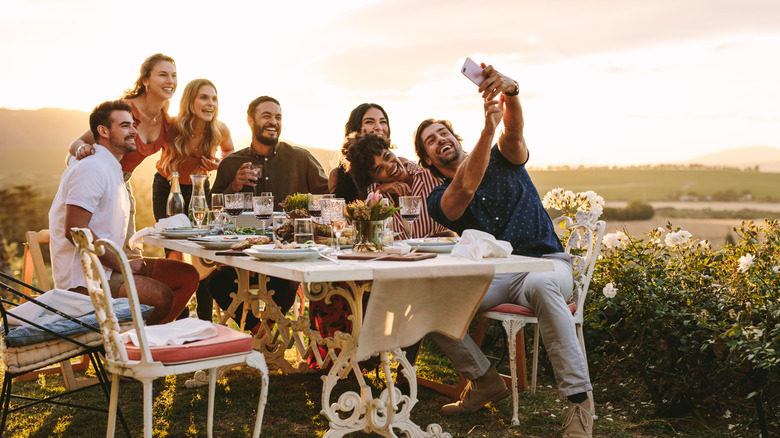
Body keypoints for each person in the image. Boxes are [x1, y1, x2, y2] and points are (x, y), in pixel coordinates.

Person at [414, 63, 594, 437]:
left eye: (443, 132)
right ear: (428, 161)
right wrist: (486, 129)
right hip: (494, 276)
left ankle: (579, 405)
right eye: (431, 141)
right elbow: (463, 190)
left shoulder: (505, 156)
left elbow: (514, 131)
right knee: (431, 304)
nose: (440, 139)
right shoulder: (437, 198)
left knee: (542, 286)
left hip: (546, 265)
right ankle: (484, 381)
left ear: (456, 138)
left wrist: (510, 93)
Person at [50, 100, 198, 325]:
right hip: (86, 277)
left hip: (109, 266)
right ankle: (134, 347)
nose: (134, 131)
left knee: (186, 275)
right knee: (160, 297)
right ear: (103, 131)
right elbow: (75, 230)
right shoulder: (91, 167)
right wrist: (122, 264)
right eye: (125, 126)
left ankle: (147, 341)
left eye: (133, 125)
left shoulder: (113, 169)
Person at [206, 96, 328, 330]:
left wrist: (304, 213)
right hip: (241, 258)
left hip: (285, 255)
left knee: (288, 282)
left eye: (278, 117)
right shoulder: (231, 163)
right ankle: (257, 331)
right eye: (266, 116)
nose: (273, 121)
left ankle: (264, 332)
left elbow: (327, 198)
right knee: (218, 283)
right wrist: (235, 187)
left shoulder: (300, 158)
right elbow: (213, 211)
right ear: (251, 121)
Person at [68, 53, 178, 258]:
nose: (170, 81)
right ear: (145, 80)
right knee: (102, 245)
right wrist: (81, 150)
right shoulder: (125, 109)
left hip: (123, 183)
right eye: (163, 75)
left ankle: (125, 286)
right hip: (98, 178)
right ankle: (90, 287)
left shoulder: (165, 115)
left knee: (128, 248)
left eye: (173, 75)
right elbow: (77, 142)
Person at [345, 132, 455, 240]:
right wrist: (380, 190)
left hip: (440, 254)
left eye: (387, 156)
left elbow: (452, 233)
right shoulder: (375, 194)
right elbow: (369, 237)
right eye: (379, 169)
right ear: (373, 178)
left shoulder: (431, 177)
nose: (389, 166)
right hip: (400, 257)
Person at [152, 78, 234, 221]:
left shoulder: (220, 129)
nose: (211, 103)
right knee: (171, 238)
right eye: (203, 97)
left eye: (214, 99)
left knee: (200, 236)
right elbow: (158, 105)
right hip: (167, 188)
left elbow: (229, 150)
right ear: (189, 101)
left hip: (201, 189)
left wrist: (221, 165)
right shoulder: (171, 125)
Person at [328, 103, 391, 203]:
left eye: (383, 122)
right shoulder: (337, 175)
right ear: (355, 129)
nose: (379, 127)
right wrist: (379, 190)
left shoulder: (396, 167)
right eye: (370, 122)